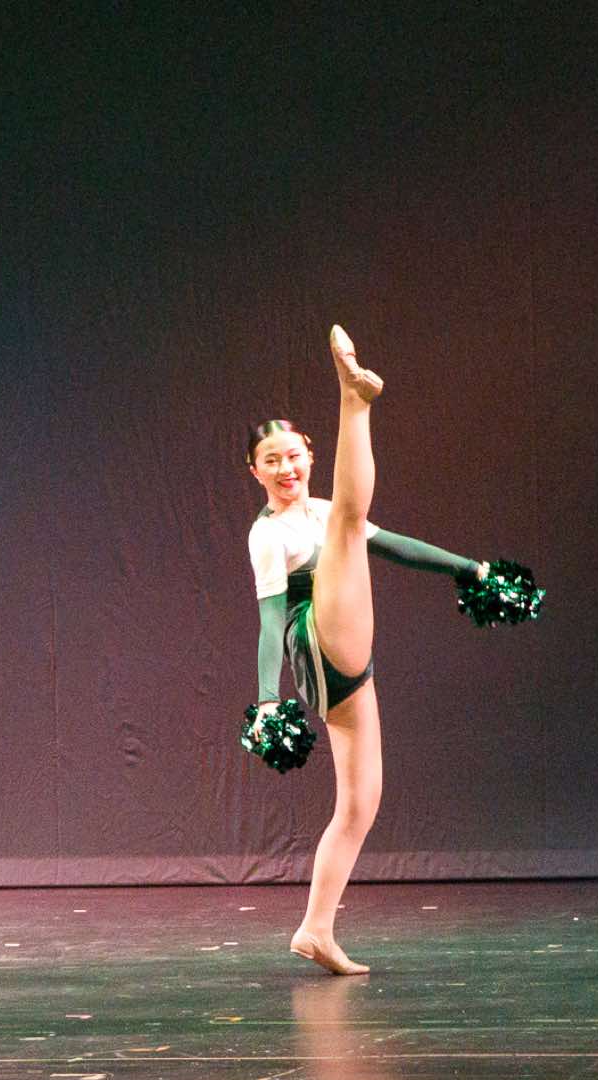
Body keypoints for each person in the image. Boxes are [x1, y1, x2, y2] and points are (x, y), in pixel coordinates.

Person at [245, 327, 489, 975]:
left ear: (308, 454)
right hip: (313, 637)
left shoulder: (324, 508)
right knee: (348, 528)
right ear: (255, 471)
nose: (286, 469)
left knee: (360, 802)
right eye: (271, 461)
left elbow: (398, 546)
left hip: (348, 651)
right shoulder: (268, 535)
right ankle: (353, 399)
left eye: (292, 455)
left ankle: (315, 929)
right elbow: (270, 621)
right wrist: (267, 701)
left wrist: (471, 569)